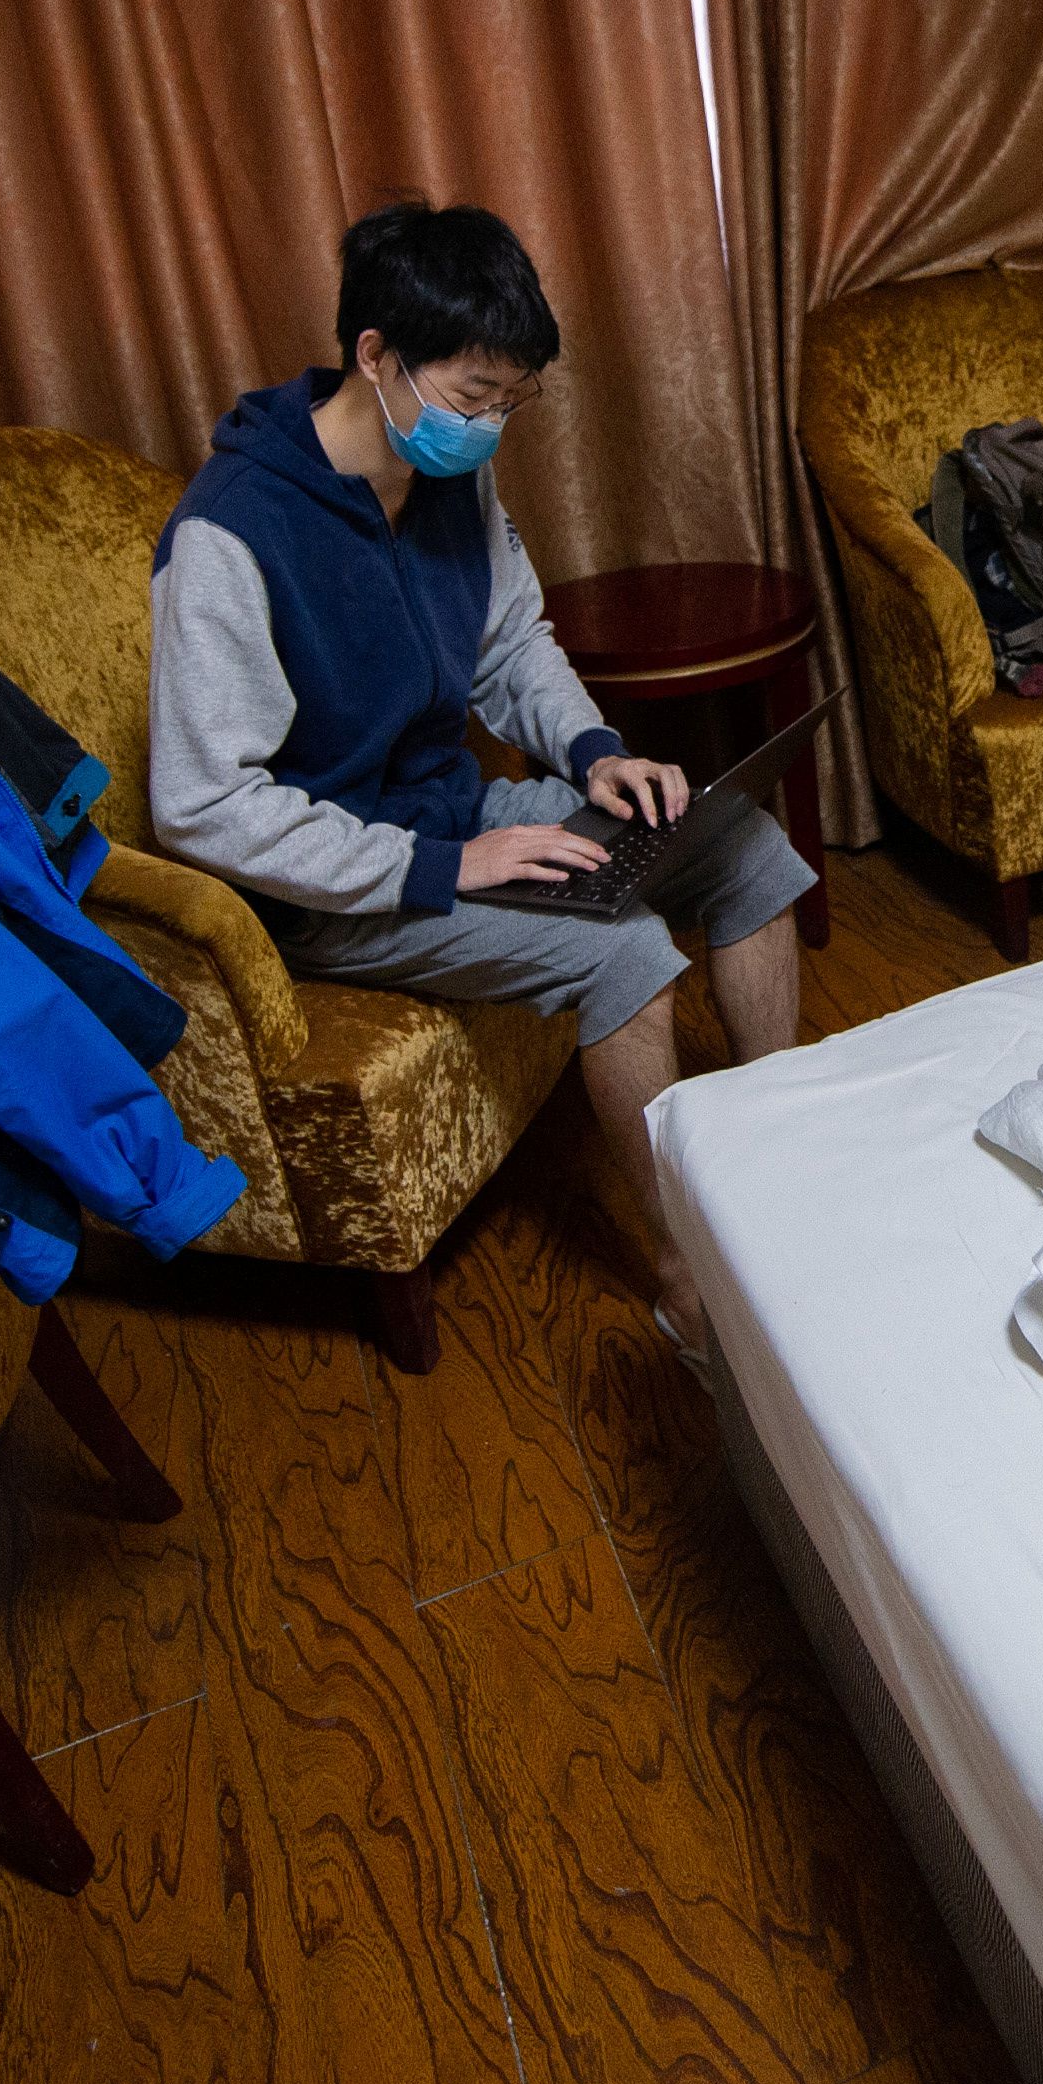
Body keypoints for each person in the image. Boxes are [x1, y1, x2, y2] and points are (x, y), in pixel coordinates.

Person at [147, 202, 814, 1355]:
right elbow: (205, 803)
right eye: (470, 398)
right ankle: (693, 1282)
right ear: (374, 355)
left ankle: (794, 1157)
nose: (489, 428)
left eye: (513, 402)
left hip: (452, 809)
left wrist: (599, 755)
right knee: (620, 944)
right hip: (340, 886)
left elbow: (511, 646)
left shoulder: (449, 474)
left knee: (737, 839)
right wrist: (445, 863)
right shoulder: (229, 534)